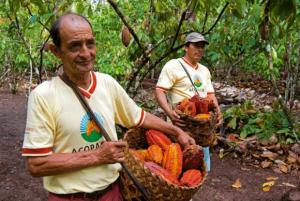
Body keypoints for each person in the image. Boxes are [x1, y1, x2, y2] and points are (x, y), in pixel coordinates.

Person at [22, 13, 195, 201]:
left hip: (112, 193)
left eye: (90, 43)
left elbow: (138, 116)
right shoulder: (44, 95)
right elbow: (36, 164)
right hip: (69, 197)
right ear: (56, 51)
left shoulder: (107, 84)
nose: (86, 53)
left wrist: (176, 131)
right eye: (74, 46)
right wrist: (98, 156)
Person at [155, 32, 223, 172]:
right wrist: (169, 112)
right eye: (196, 46)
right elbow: (159, 91)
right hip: (182, 126)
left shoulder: (204, 70)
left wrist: (218, 111)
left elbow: (210, 95)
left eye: (202, 46)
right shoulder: (173, 65)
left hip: (201, 128)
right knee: (178, 166)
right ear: (186, 47)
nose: (199, 49)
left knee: (201, 170)